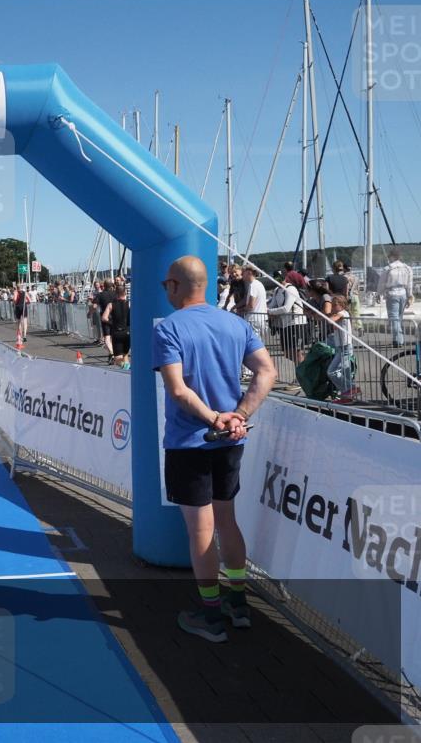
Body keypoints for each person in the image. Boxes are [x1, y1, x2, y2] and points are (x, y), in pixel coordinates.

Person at [153, 256, 276, 643]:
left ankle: (210, 615)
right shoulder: (236, 324)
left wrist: (214, 419)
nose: (165, 291)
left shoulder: (169, 328)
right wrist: (238, 415)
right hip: (230, 440)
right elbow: (267, 371)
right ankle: (238, 604)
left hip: (192, 442)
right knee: (227, 521)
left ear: (175, 285)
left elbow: (177, 390)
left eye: (165, 285)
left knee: (201, 530)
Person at [266, 273, 307, 366]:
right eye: (276, 278)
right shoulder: (277, 290)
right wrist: (268, 310)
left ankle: (302, 372)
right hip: (284, 325)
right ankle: (303, 368)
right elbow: (272, 305)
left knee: (297, 352)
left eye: (280, 278)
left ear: (284, 278)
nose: (278, 280)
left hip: (296, 323)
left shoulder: (291, 289)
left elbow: (286, 308)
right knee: (287, 353)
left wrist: (270, 312)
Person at [326, 295, 358, 404]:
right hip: (340, 347)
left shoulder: (343, 313)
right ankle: (347, 394)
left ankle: (351, 388)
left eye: (335, 305)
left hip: (345, 347)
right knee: (344, 372)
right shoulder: (339, 314)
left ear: (342, 305)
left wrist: (328, 314)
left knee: (332, 371)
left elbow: (330, 321)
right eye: (332, 305)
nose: (333, 307)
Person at [378, 250, 414, 347]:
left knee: (394, 318)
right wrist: (410, 296)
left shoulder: (388, 269)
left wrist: (379, 294)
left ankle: (398, 340)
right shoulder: (407, 268)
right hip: (403, 293)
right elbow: (410, 284)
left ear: (392, 257)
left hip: (392, 293)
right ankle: (396, 339)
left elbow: (381, 283)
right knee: (399, 318)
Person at [101, 284, 130, 369]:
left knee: (117, 359)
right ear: (125, 293)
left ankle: (126, 368)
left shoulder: (111, 305)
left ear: (116, 293)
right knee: (125, 355)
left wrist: (112, 323)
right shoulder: (129, 303)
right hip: (127, 331)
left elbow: (104, 318)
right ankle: (128, 371)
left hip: (117, 332)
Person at [242, 267, 268, 340]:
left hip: (253, 319)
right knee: (260, 342)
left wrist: (242, 309)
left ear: (249, 273)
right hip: (262, 318)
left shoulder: (253, 285)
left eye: (243, 273)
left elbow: (251, 305)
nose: (242, 275)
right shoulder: (259, 284)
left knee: (253, 342)